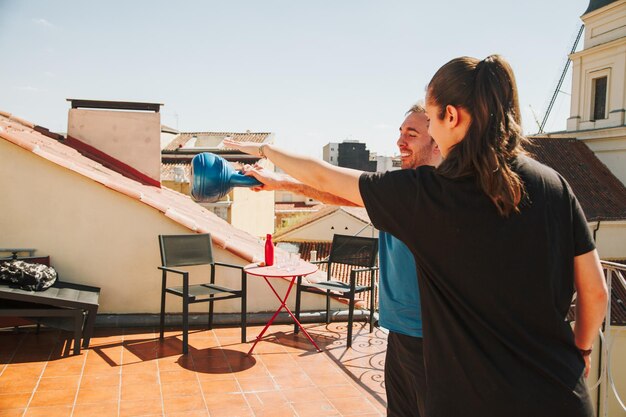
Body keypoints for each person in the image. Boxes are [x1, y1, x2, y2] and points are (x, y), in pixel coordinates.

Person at [224, 54, 608, 417]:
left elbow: (326, 176)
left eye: (431, 120)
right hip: (562, 394)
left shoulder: (429, 196)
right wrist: (581, 348)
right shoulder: (554, 184)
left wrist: (265, 148)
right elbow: (595, 292)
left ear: (452, 116)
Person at [242, 105, 440, 417]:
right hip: (400, 330)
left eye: (411, 135)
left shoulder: (430, 193)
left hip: (429, 338)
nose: (400, 142)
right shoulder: (399, 188)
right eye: (400, 133)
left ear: (438, 141)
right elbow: (339, 194)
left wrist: (269, 155)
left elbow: (324, 174)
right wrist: (280, 183)